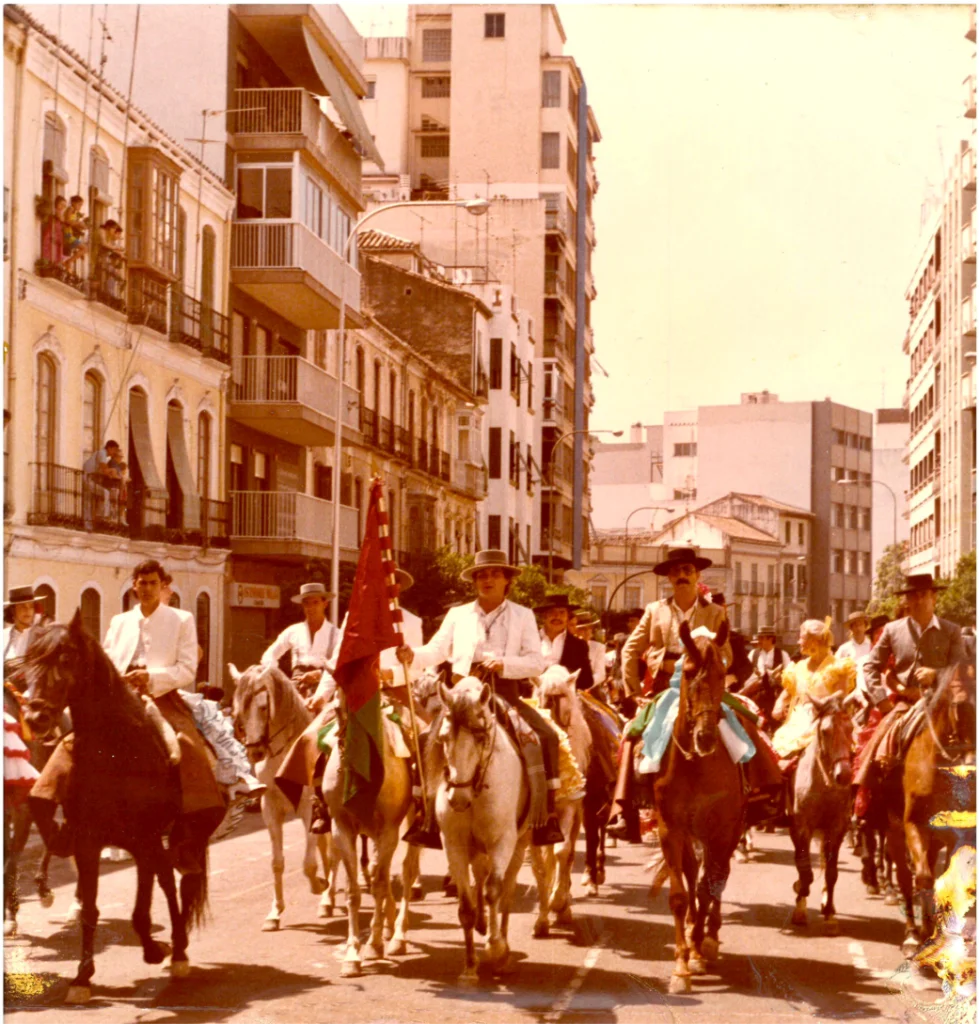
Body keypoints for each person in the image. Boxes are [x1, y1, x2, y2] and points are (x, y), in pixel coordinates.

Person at [30, 560, 227, 872]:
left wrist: (150, 677)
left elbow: (188, 668)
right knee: (72, 741)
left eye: (152, 583)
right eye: (142, 583)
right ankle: (54, 806)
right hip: (116, 700)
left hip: (162, 698)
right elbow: (104, 661)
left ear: (162, 586)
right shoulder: (119, 622)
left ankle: (188, 834)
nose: (146, 589)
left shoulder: (181, 619)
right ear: (134, 586)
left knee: (187, 747)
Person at [396, 549, 564, 847]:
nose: (487, 580)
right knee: (426, 742)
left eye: (495, 574)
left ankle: (544, 816)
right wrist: (412, 655)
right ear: (474, 581)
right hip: (462, 698)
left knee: (545, 737)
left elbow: (537, 662)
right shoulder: (457, 615)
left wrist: (504, 664)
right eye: (481, 575)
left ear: (507, 581)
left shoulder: (522, 615)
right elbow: (436, 651)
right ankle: (427, 817)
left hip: (504, 694)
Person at [275, 571, 417, 836]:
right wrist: (321, 695)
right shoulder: (354, 620)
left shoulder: (410, 622)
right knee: (310, 739)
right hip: (353, 695)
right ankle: (320, 801)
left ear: (397, 589)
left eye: (389, 584)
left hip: (394, 693)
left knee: (424, 739)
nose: (384, 589)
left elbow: (416, 666)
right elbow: (337, 664)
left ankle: (421, 803)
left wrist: (391, 674)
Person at [854, 574, 967, 788]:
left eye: (923, 595)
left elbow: (963, 669)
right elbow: (870, 666)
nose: (917, 600)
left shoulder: (951, 630)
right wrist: (882, 701)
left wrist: (936, 674)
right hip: (906, 705)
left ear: (934, 598)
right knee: (877, 750)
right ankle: (865, 805)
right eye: (911, 596)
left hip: (943, 704)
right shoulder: (892, 630)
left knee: (968, 743)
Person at [621, 548, 731, 697]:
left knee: (733, 718)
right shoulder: (654, 610)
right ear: (669, 577)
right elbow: (630, 650)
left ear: (697, 574)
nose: (681, 575)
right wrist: (634, 693)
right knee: (640, 721)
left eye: (687, 570)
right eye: (675, 571)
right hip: (663, 687)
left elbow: (726, 656)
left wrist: (712, 671)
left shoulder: (715, 612)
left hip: (702, 690)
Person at [771, 619, 857, 762]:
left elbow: (841, 695)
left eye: (802, 638)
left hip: (828, 719)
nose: (799, 642)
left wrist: (821, 704)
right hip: (798, 721)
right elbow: (788, 692)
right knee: (777, 754)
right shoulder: (797, 667)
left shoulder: (838, 666)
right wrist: (779, 703)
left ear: (815, 641)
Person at [536, 593, 594, 690]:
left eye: (562, 612)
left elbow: (587, 681)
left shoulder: (579, 645)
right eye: (552, 612)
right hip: (532, 698)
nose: (557, 616)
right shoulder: (528, 642)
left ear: (568, 618)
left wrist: (563, 682)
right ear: (544, 616)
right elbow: (518, 676)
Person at [82, 439, 123, 530]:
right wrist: (113, 472)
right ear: (109, 448)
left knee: (89, 501)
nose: (114, 453)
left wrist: (110, 472)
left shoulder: (101, 454)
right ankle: (102, 515)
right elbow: (104, 468)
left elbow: (103, 470)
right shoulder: (102, 453)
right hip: (88, 478)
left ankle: (89, 524)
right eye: (114, 450)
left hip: (89, 477)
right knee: (105, 493)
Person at [3, 586, 43, 670]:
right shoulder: (3, 637)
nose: (28, 610)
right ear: (12, 610)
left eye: (31, 606)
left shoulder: (41, 637)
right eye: (22, 606)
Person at [573, 611, 608, 691]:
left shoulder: (598, 647)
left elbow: (600, 674)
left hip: (591, 690)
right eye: (582, 629)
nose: (587, 632)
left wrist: (584, 687)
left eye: (589, 628)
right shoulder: (568, 646)